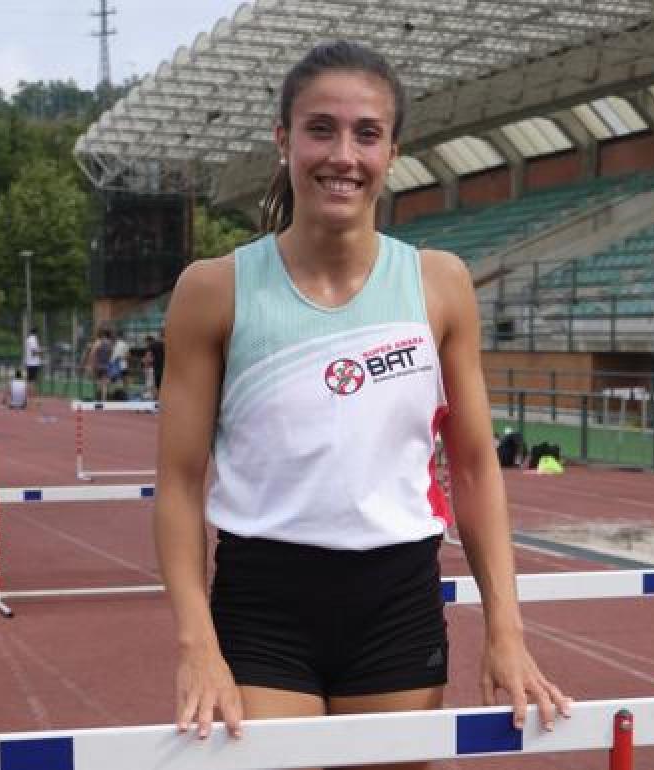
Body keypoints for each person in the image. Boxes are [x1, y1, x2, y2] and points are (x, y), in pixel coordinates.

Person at [154, 40, 570, 760]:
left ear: (392, 150)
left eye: (365, 133)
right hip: (264, 603)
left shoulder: (439, 285)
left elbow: (473, 468)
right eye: (320, 129)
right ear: (283, 140)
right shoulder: (213, 290)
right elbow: (180, 482)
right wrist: (197, 643)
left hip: (395, 601)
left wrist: (506, 630)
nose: (342, 154)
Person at [83, 328, 113, 401]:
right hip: (106, 364)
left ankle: (97, 398)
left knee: (98, 381)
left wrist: (89, 364)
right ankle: (103, 399)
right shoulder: (110, 344)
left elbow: (92, 353)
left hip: (98, 364)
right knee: (104, 383)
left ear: (103, 335)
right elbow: (110, 354)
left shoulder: (99, 342)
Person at [144, 331, 165, 399]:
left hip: (157, 369)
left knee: (157, 387)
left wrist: (146, 368)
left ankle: (157, 404)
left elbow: (148, 357)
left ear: (160, 335)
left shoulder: (153, 344)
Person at [23, 327, 42, 404]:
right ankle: (32, 394)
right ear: (36, 333)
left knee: (29, 379)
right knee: (33, 379)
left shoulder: (27, 339)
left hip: (28, 362)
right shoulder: (33, 339)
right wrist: (41, 351)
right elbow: (34, 351)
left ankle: (28, 394)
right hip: (33, 362)